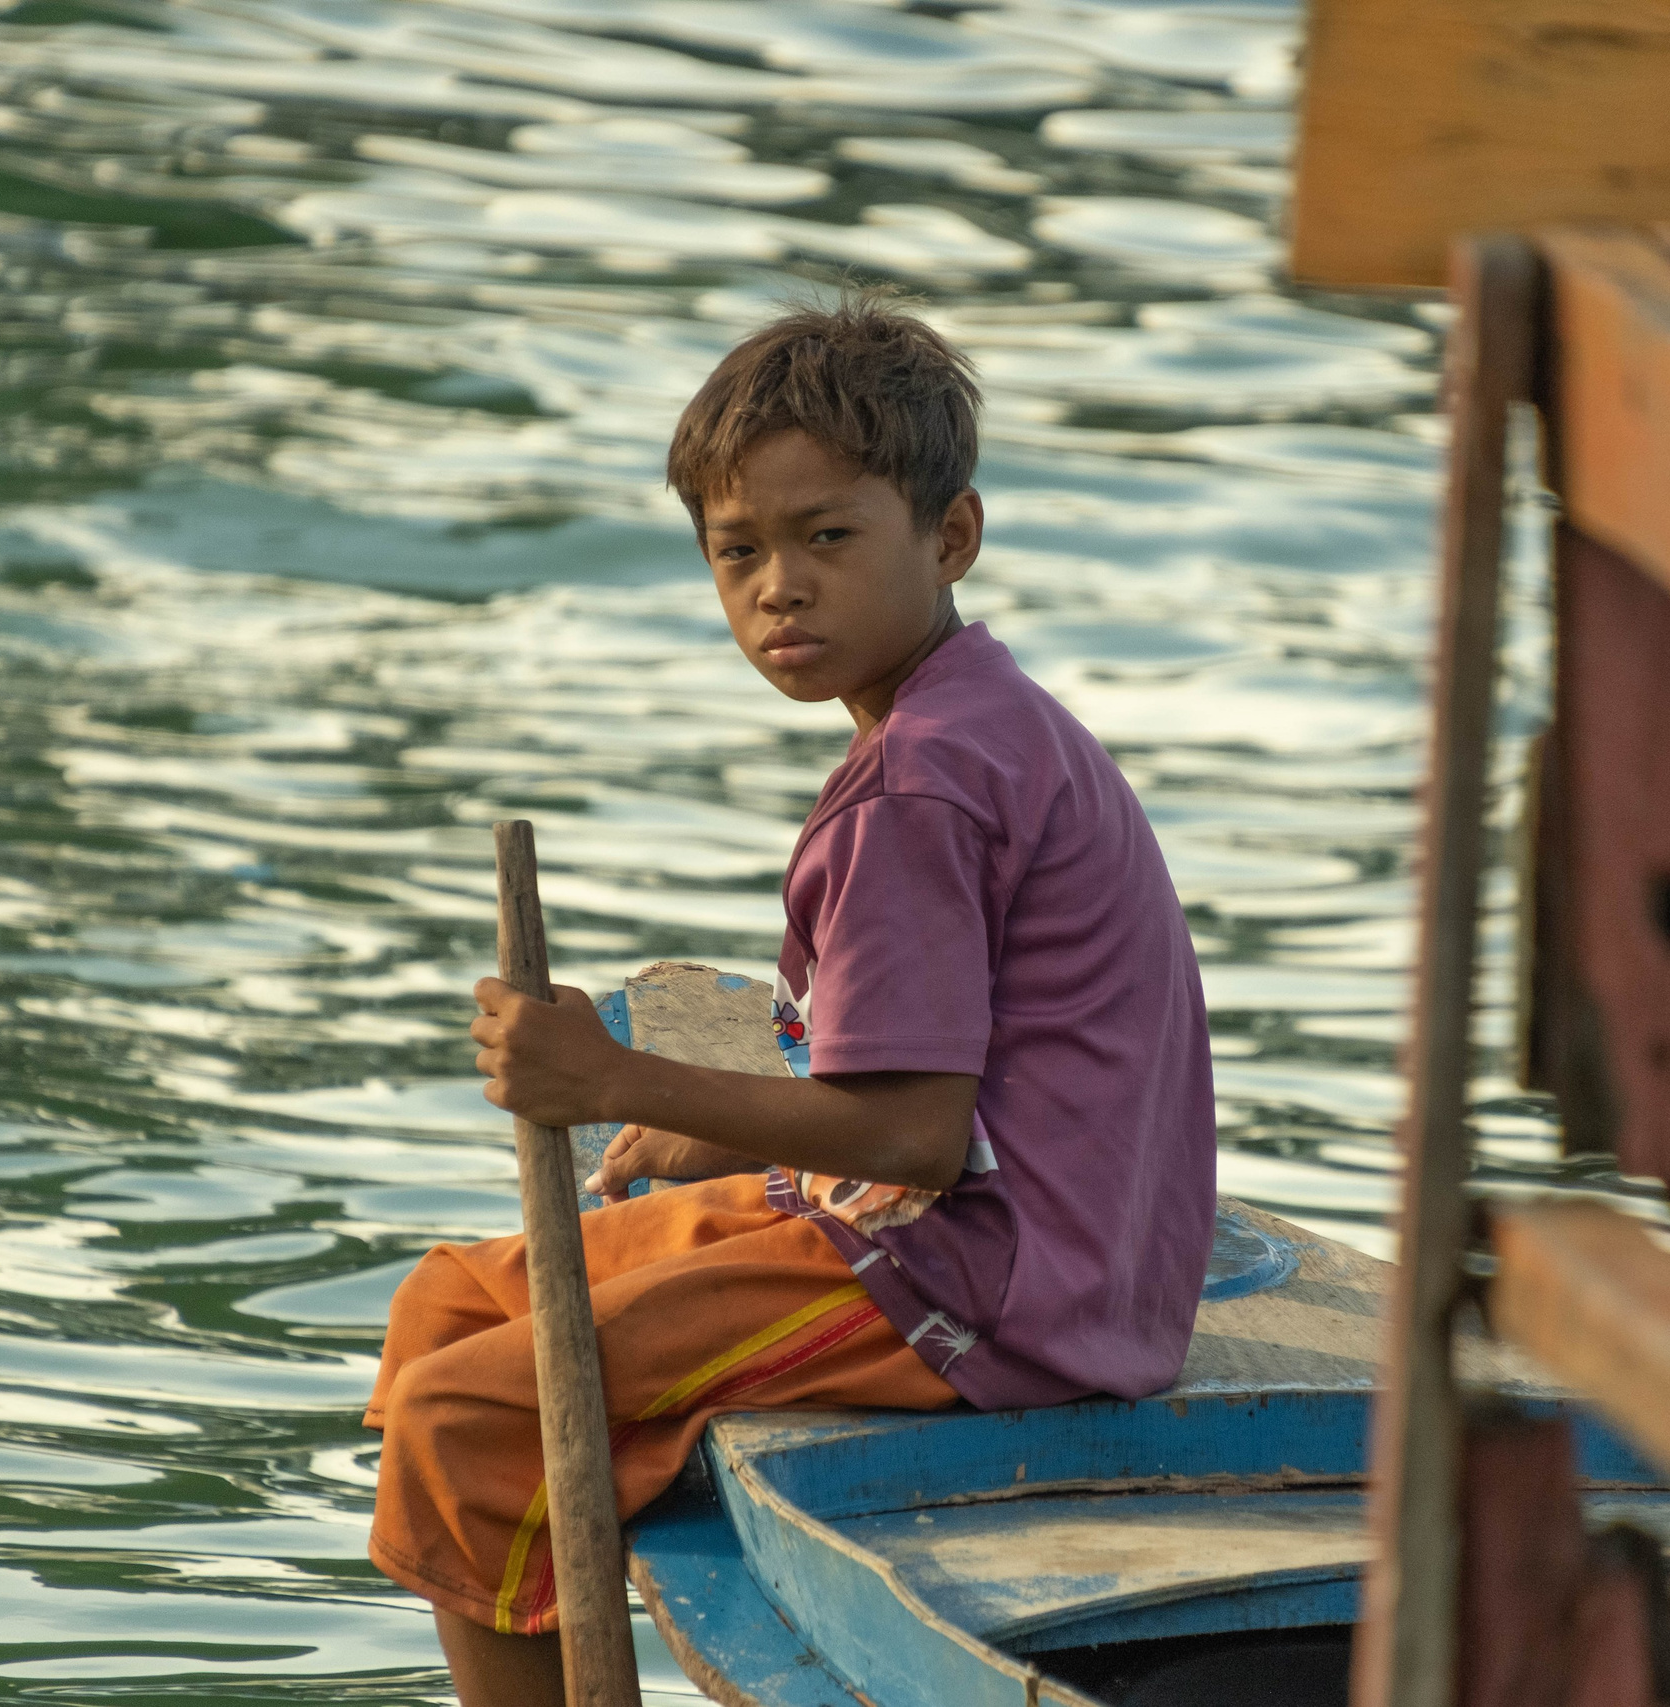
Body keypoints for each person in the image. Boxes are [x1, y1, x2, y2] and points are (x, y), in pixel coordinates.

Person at [364, 298, 1218, 1706]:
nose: (780, 589)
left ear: (949, 537)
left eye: (829, 538)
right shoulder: (973, 716)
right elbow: (910, 1096)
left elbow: (917, 1140)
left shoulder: (917, 789)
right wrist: (727, 1138)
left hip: (985, 1290)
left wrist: (616, 1084)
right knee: (445, 1309)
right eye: (738, 552)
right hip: (1006, 1235)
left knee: (461, 1424)